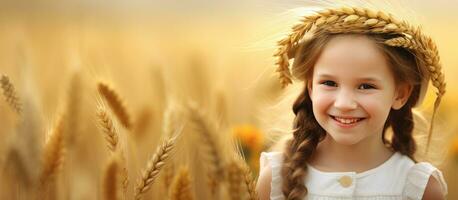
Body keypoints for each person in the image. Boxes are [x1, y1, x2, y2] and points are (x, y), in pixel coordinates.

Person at [256, 6, 448, 200]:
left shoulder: (419, 188)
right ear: (311, 87)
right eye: (329, 83)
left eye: (365, 86)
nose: (344, 103)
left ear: (400, 94)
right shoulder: (275, 181)